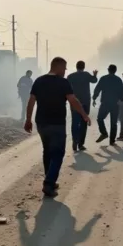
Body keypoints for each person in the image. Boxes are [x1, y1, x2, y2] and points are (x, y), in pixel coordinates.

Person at [25, 57, 90, 197]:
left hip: (41, 123)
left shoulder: (39, 81)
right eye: (64, 68)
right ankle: (49, 183)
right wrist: (84, 114)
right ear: (58, 67)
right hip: (57, 123)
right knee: (58, 153)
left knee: (47, 151)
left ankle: (50, 179)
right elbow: (73, 101)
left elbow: (31, 101)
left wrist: (28, 119)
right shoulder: (63, 82)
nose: (65, 71)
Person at [67, 61, 98, 152]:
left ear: (76, 67)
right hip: (85, 102)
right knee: (84, 122)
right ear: (83, 67)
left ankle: (74, 140)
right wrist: (95, 74)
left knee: (75, 122)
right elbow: (94, 80)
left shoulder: (71, 76)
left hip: (74, 102)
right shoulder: (86, 75)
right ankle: (81, 144)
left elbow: (66, 87)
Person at [92, 64, 123, 146]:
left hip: (105, 103)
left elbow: (98, 88)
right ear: (115, 71)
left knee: (100, 118)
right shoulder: (118, 80)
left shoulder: (103, 78)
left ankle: (104, 133)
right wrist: (121, 99)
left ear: (108, 70)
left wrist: (94, 98)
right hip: (115, 104)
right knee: (114, 123)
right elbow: (122, 91)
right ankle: (112, 141)